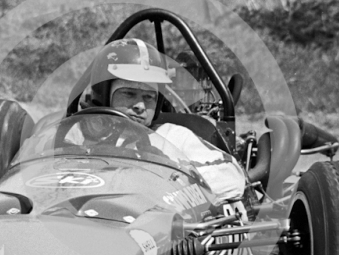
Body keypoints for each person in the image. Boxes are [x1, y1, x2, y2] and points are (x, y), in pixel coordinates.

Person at [77, 38, 246, 204]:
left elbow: (231, 178)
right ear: (103, 94)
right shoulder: (76, 132)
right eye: (129, 94)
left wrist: (170, 177)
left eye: (149, 97)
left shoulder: (172, 136)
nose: (140, 106)